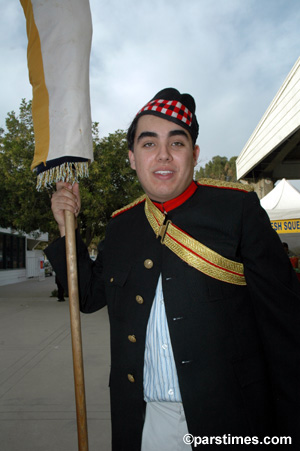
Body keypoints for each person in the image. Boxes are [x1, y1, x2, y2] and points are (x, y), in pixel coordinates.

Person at [45, 88, 300, 450]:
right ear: (133, 158)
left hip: (230, 420)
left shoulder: (237, 212)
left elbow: (286, 330)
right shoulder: (122, 226)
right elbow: (86, 296)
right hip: (146, 422)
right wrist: (64, 227)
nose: (163, 155)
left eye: (176, 143)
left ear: (194, 154)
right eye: (149, 144)